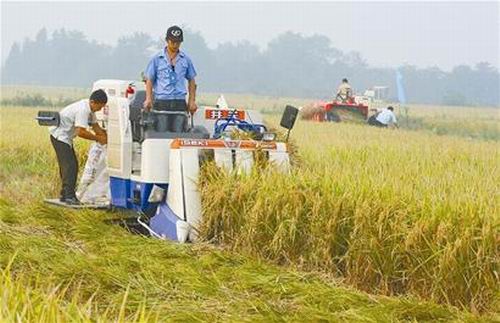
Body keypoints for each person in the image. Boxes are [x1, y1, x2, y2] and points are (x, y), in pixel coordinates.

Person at [49, 89, 108, 205]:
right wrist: (98, 139)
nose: (100, 109)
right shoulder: (83, 110)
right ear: (93, 102)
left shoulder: (90, 110)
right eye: (99, 107)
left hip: (65, 138)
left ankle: (65, 194)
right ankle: (69, 196)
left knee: (68, 165)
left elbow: (96, 127)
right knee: (71, 166)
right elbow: (80, 132)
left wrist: (105, 136)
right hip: (59, 136)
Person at [143, 25, 197, 132]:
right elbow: (149, 80)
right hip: (162, 102)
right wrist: (148, 99)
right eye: (173, 42)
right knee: (162, 133)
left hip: (179, 102)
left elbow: (191, 80)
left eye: (178, 42)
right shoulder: (157, 59)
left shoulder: (185, 60)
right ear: (167, 41)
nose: (175, 45)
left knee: (179, 135)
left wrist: (191, 101)